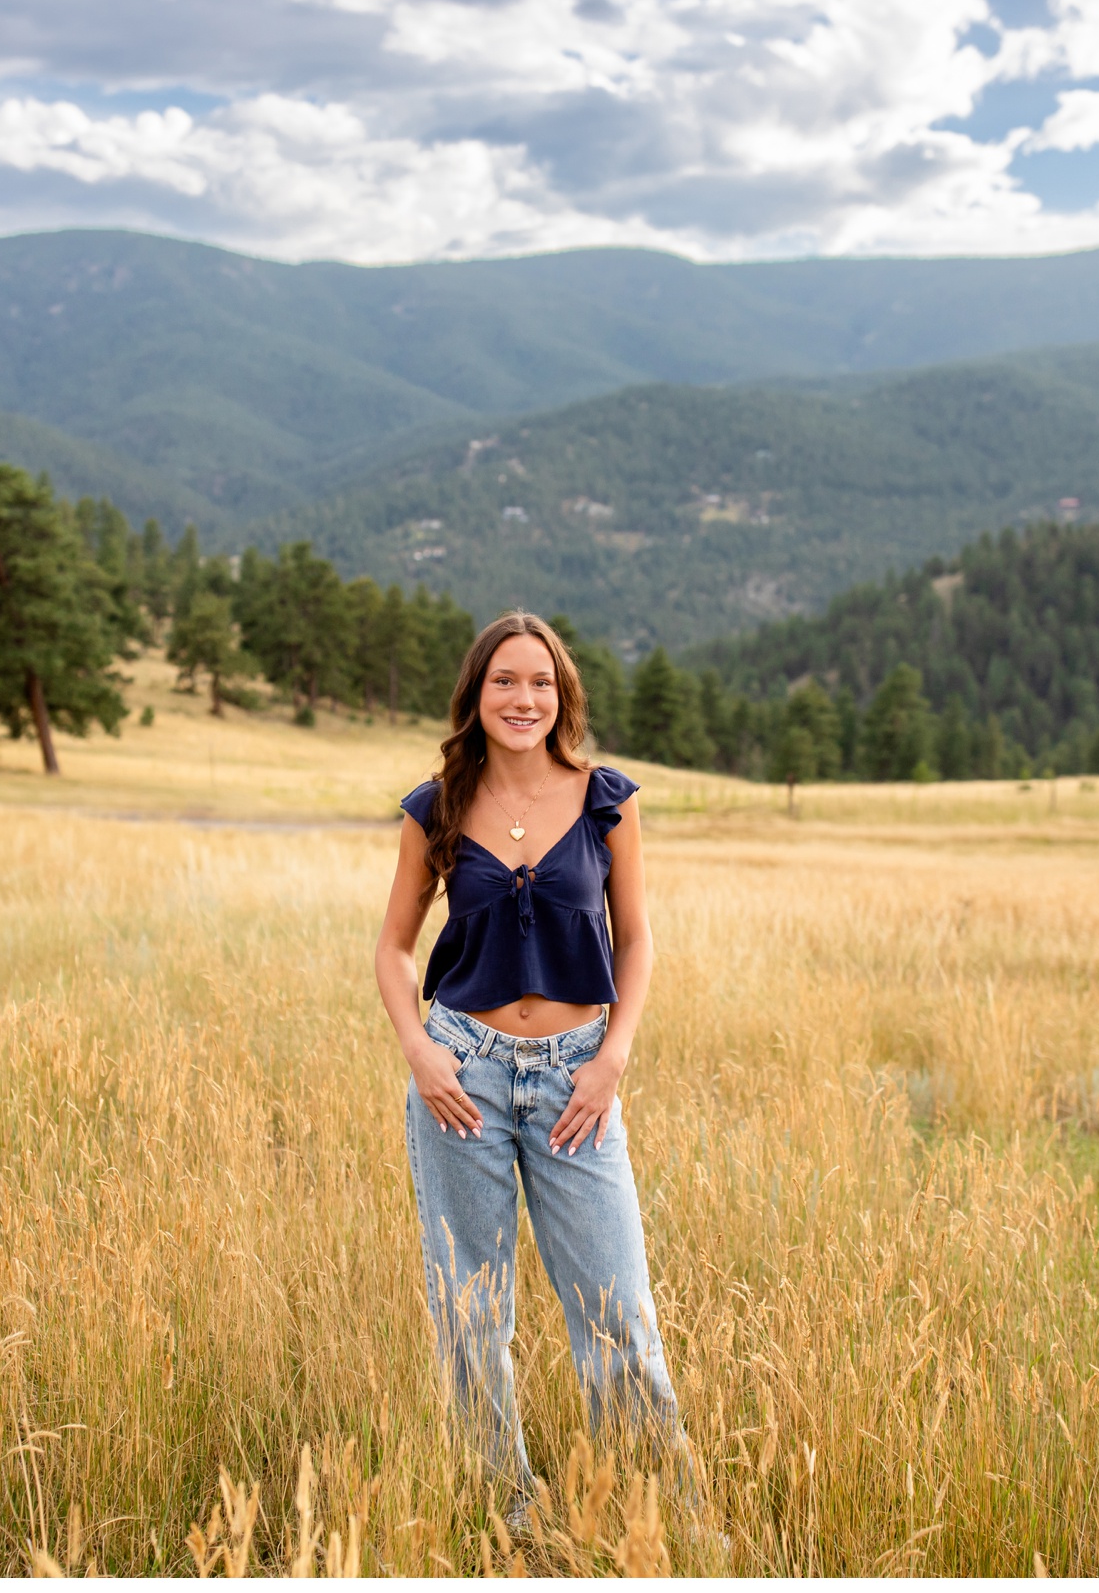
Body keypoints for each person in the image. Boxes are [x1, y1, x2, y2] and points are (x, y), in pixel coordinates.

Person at [373, 609, 692, 1536]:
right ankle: (498, 1517)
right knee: (471, 1310)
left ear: (564, 696)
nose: (525, 698)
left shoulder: (606, 800)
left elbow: (634, 940)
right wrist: (421, 1052)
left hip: (576, 1082)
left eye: (542, 682)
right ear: (476, 693)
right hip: (459, 1076)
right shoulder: (434, 807)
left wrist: (613, 1058)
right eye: (505, 680)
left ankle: (660, 1521)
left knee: (616, 1311)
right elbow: (394, 950)